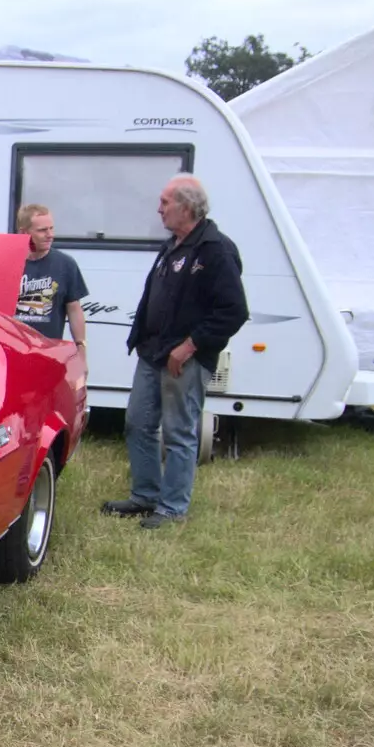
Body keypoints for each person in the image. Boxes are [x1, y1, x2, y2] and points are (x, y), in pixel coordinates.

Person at [103, 174, 248, 529]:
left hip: (184, 359)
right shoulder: (173, 244)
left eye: (165, 202)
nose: (159, 208)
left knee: (180, 432)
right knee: (138, 423)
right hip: (152, 353)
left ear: (186, 206)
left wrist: (189, 346)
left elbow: (233, 311)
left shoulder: (215, 249)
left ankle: (172, 508)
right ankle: (145, 495)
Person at [14, 204, 88, 349]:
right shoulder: (8, 263)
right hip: (13, 351)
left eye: (51, 228)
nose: (50, 235)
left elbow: (74, 309)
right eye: (42, 230)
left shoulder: (65, 264)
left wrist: (81, 349)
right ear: (24, 232)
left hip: (50, 352)